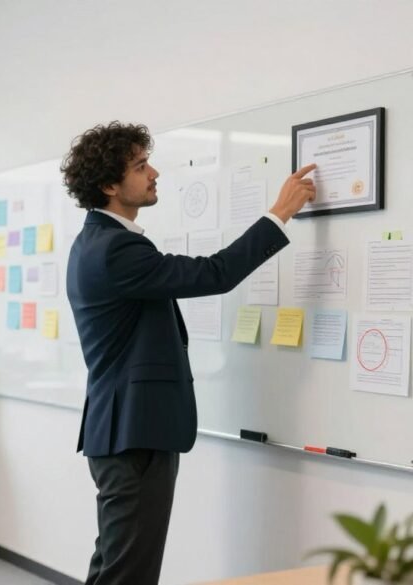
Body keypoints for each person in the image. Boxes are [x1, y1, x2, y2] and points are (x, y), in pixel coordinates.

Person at [61, 121, 316, 585]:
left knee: (115, 567)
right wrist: (279, 213)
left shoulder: (98, 241)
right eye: (140, 166)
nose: (154, 173)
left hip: (124, 432)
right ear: (109, 185)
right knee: (128, 573)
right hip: (133, 436)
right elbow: (214, 273)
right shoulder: (114, 248)